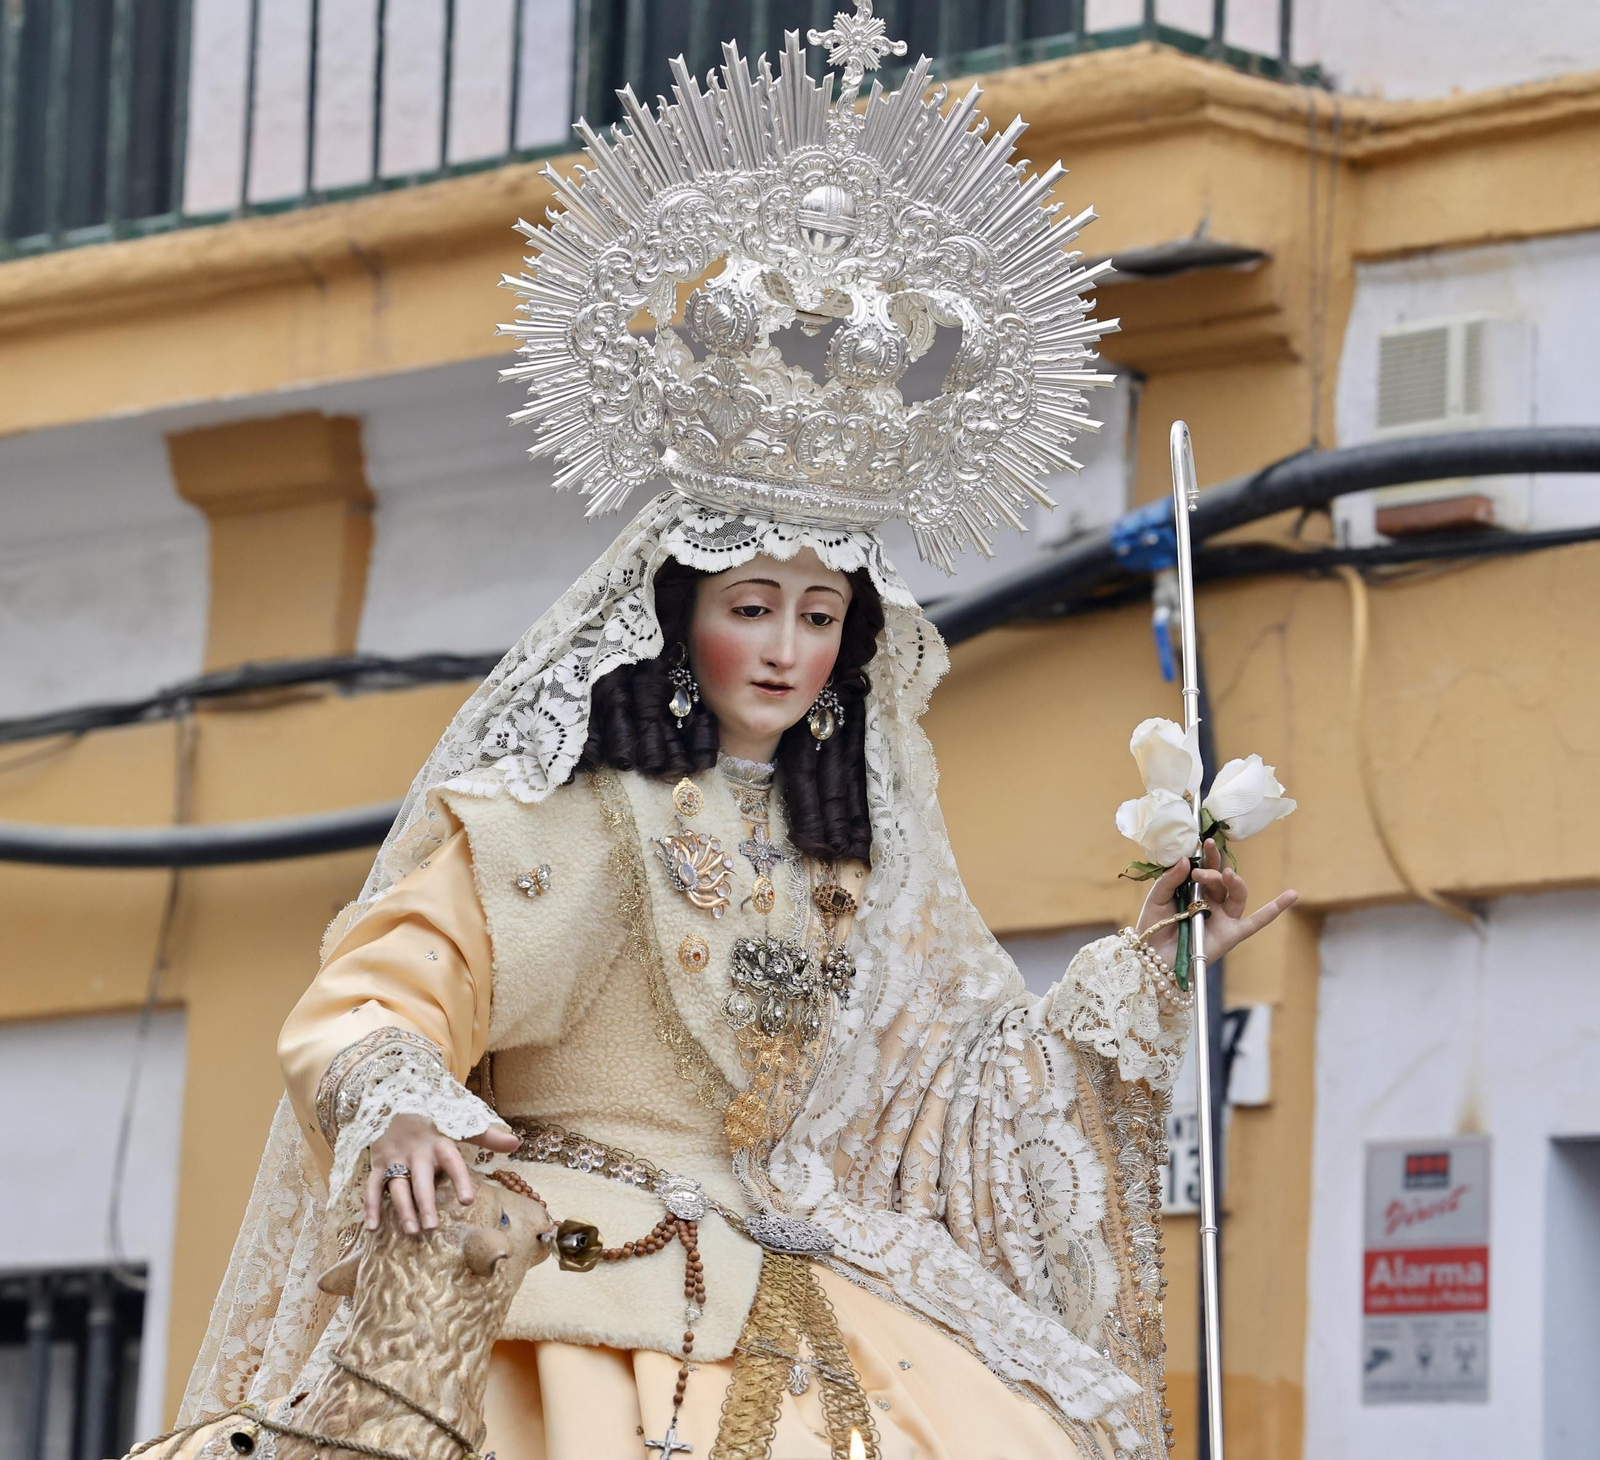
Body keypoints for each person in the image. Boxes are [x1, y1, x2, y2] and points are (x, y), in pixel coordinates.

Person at [178, 12, 1297, 1458]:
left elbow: (949, 1096)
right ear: (674, 614)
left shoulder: (859, 854)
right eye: (752, 605)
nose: (783, 646)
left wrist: (1143, 970)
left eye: (818, 614)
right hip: (568, 1282)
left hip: (806, 1282)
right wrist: (403, 1105)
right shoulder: (570, 813)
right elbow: (380, 993)